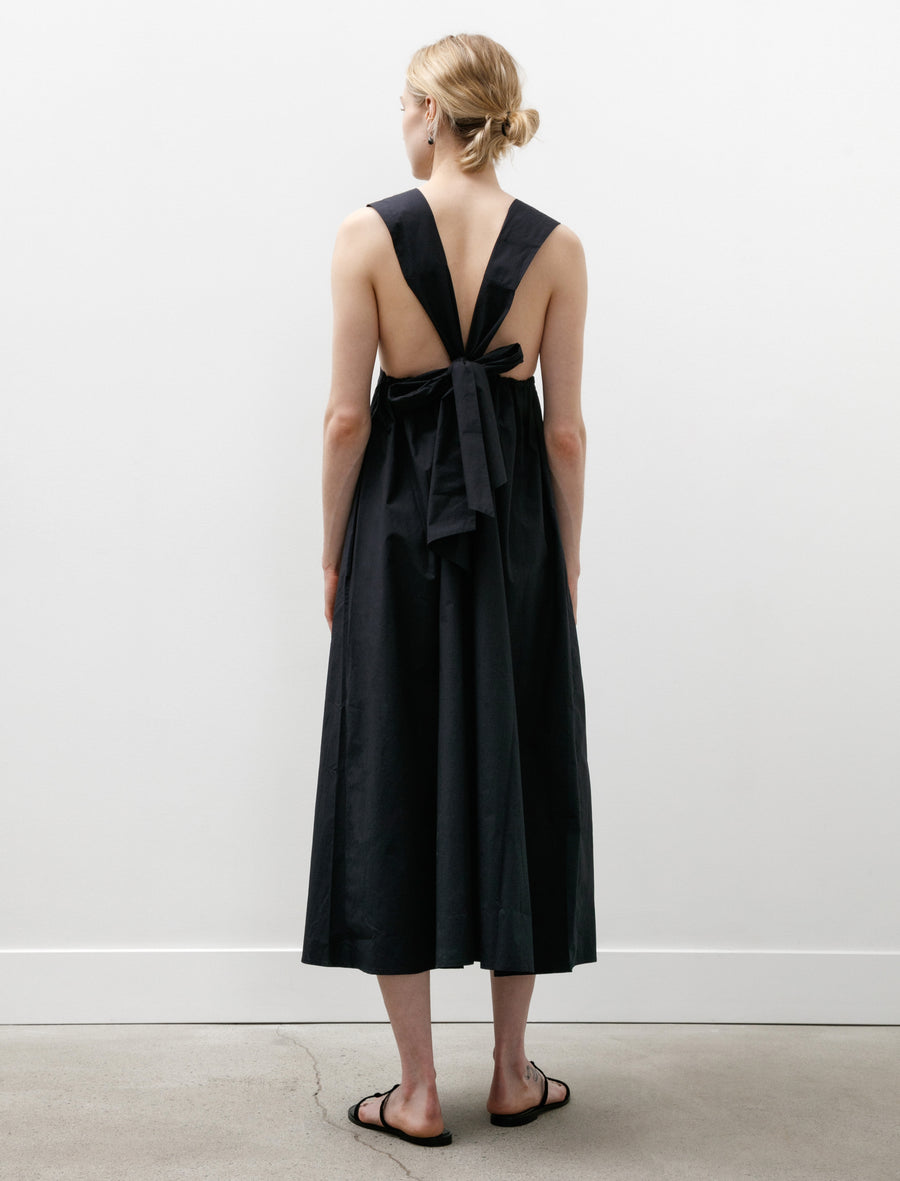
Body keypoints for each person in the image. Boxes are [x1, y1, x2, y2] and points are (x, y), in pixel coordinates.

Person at [301, 32, 596, 1147]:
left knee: (392, 768)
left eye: (404, 102)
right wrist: (565, 557)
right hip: (514, 530)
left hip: (397, 530)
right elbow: (564, 431)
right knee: (520, 764)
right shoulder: (559, 247)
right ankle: (511, 1072)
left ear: (432, 113)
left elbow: (347, 417)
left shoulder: (365, 234)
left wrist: (331, 551)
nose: (400, 119)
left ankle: (418, 1090)